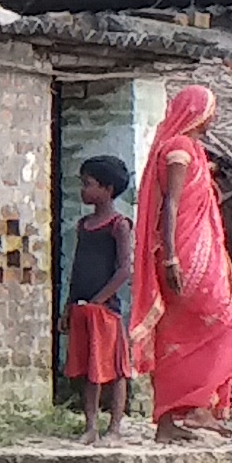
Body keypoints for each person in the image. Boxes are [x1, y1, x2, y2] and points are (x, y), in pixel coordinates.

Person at [131, 84, 232, 443]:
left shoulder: (192, 149)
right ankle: (195, 408)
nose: (215, 116)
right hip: (184, 252)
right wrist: (169, 255)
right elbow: (171, 204)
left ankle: (175, 418)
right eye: (212, 109)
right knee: (229, 324)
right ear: (197, 111)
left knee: (179, 330)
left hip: (196, 248)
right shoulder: (179, 148)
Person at [64, 153, 136, 444]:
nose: (83, 190)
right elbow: (77, 267)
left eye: (88, 184)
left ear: (107, 189)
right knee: (88, 370)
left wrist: (99, 300)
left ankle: (115, 427)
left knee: (116, 369)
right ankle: (90, 426)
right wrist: (70, 306)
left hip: (106, 310)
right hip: (82, 307)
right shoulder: (84, 225)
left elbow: (124, 270)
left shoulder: (119, 225)